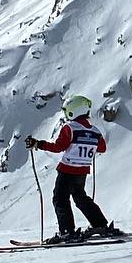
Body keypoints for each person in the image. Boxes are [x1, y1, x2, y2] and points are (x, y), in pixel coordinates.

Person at [27, 94, 118, 243]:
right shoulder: (95, 131)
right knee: (81, 198)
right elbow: (102, 148)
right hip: (82, 171)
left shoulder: (70, 128)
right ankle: (100, 224)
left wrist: (38, 144)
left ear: (73, 111)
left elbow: (58, 147)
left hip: (67, 170)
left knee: (60, 199)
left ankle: (68, 231)